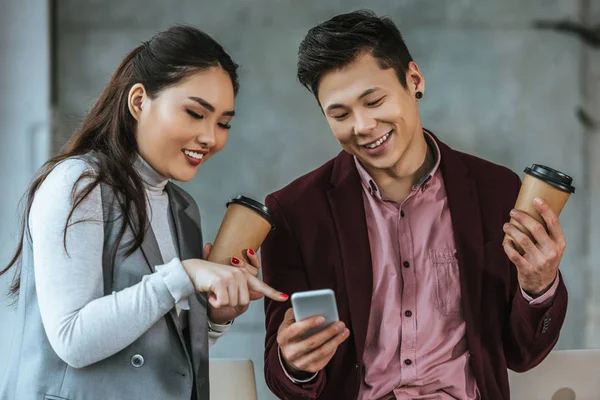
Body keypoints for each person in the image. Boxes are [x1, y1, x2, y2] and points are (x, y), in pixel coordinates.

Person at [261, 10, 568, 400]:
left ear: (414, 81)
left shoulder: (496, 190)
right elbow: (282, 375)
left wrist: (539, 286)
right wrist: (295, 363)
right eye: (339, 114)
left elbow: (521, 354)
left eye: (373, 101)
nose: (362, 126)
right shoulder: (292, 213)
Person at [0, 26, 287, 400]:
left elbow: (163, 362)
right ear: (138, 101)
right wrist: (183, 274)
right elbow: (72, 339)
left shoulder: (182, 208)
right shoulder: (78, 184)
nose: (210, 137)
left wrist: (215, 318)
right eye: (194, 113)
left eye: (223, 123)